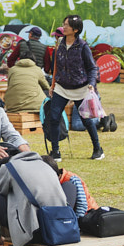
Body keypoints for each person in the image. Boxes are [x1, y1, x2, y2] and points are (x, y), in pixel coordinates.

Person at [42, 15, 104, 161]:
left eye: (66, 25)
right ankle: (55, 151)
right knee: (54, 117)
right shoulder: (59, 44)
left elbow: (92, 68)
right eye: (63, 24)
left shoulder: (83, 46)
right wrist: (53, 85)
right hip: (61, 87)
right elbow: (55, 67)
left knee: (86, 120)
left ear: (75, 30)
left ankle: (98, 149)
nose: (63, 27)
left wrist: (91, 84)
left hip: (80, 88)